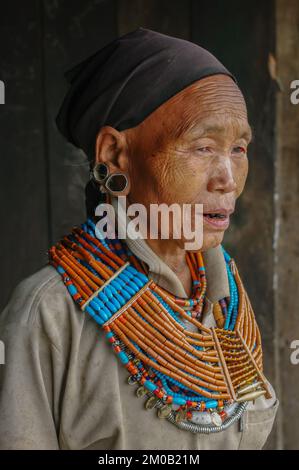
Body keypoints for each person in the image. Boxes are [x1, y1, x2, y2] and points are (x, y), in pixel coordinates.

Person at [0, 27, 278, 450]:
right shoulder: (47, 316)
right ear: (114, 153)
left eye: (239, 149)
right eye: (203, 147)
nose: (228, 180)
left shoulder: (227, 297)